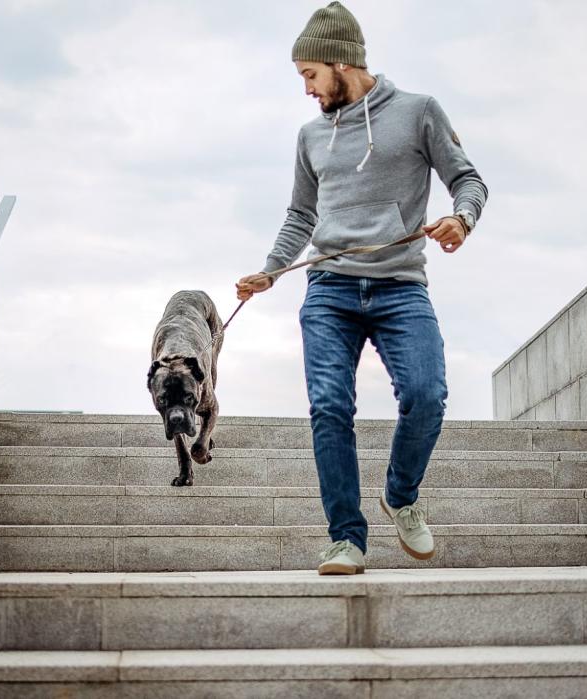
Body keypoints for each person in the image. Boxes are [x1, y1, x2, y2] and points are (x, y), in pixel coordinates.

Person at [235, 1, 487, 575]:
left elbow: (467, 178)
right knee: (329, 407)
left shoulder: (419, 112)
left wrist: (462, 219)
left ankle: (399, 495)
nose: (306, 90)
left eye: (309, 76)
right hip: (329, 290)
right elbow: (301, 215)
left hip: (401, 286)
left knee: (426, 394)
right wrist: (270, 270)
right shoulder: (309, 136)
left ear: (341, 63)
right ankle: (346, 538)